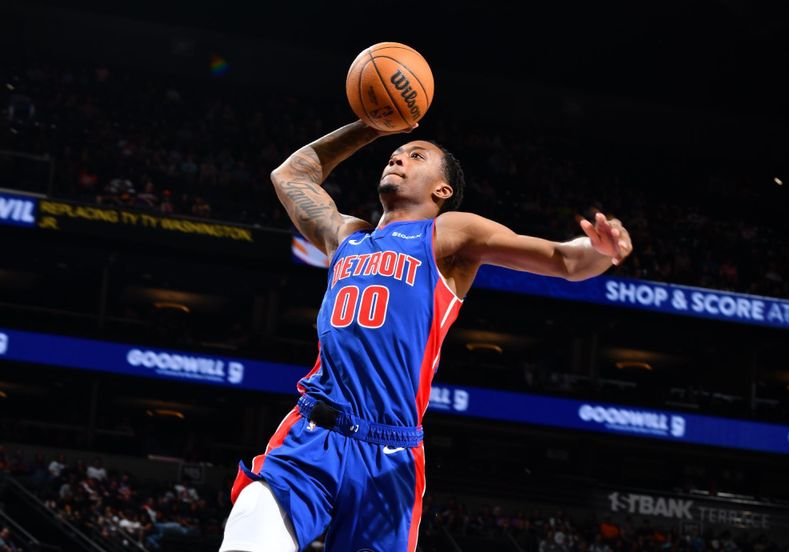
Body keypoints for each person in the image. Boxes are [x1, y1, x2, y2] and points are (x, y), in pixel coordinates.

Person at [219, 119, 633, 552]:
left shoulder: (448, 234)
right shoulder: (346, 235)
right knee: (249, 530)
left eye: (417, 155)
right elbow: (289, 175)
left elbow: (565, 261)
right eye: (396, 153)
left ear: (442, 191)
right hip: (312, 434)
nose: (398, 156)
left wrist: (601, 250)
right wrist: (371, 126)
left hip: (389, 453)